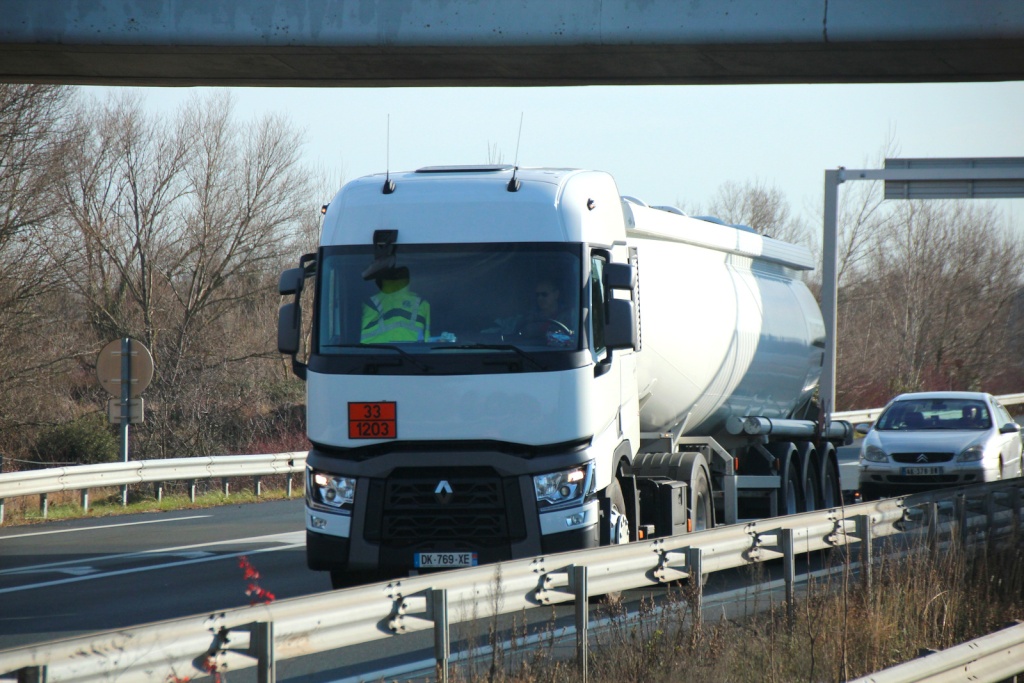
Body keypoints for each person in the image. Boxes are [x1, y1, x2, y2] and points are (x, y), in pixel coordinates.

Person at [360, 267, 431, 343]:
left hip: (373, 353)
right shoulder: (421, 304)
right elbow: (427, 341)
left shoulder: (370, 303)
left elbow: (356, 338)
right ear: (408, 280)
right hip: (414, 354)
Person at [517, 277, 575, 346]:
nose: (540, 298)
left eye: (544, 294)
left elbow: (573, 340)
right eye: (537, 295)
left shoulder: (570, 317)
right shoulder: (530, 318)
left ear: (556, 294)